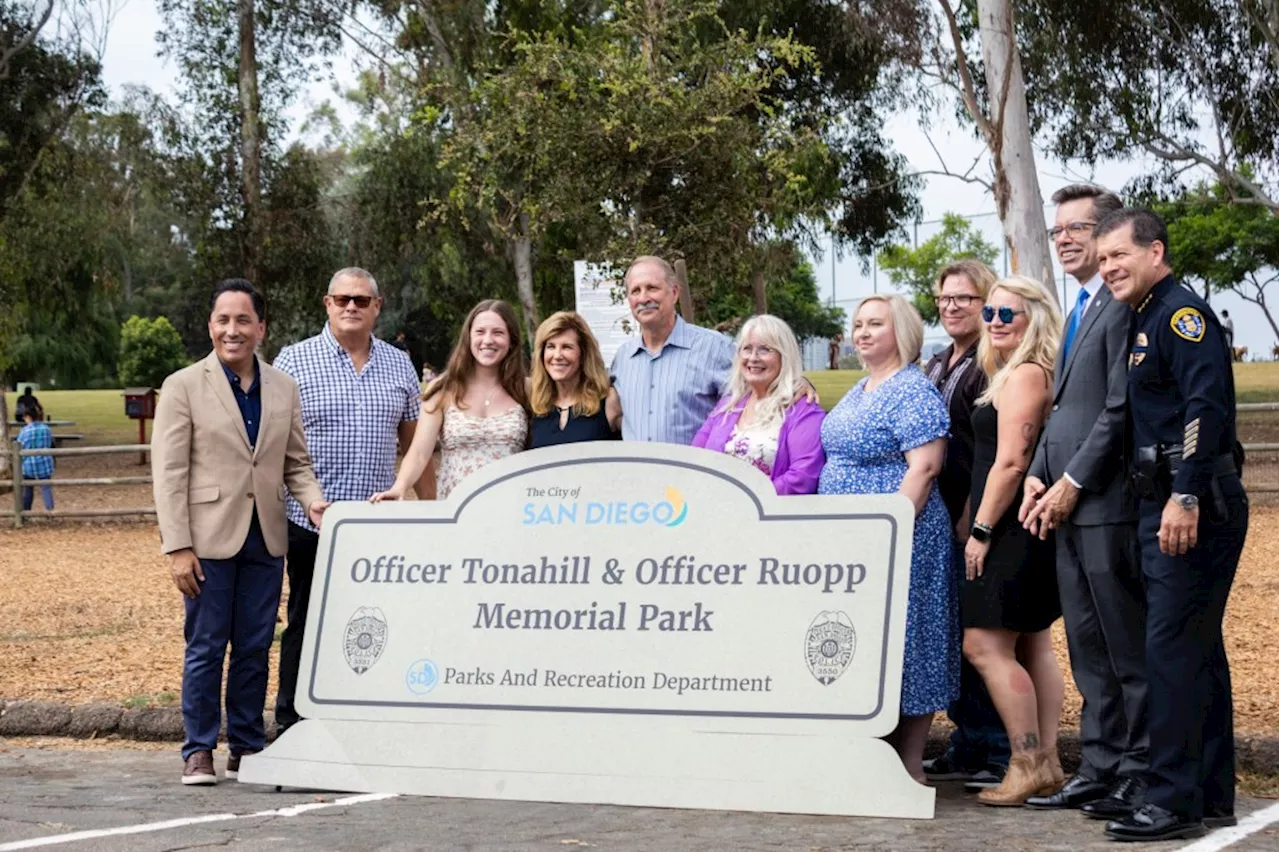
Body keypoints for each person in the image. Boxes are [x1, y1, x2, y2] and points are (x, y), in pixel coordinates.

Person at [1094, 209, 1247, 842]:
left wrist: (1184, 495)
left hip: (1193, 502)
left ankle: (1172, 801)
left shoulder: (1180, 315)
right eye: (1101, 260)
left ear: (1156, 251)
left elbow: (1204, 405)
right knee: (1195, 652)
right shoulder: (1145, 315)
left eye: (1118, 255)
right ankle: (1207, 794)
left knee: (1170, 654)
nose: (1107, 269)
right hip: (1170, 498)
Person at [151, 279, 328, 786]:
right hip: (206, 540)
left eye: (243, 320)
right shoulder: (183, 385)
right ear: (211, 327)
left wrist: (313, 501)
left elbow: (295, 462)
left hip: (268, 539)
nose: (233, 330)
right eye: (223, 320)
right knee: (206, 645)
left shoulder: (283, 387)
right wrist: (177, 546)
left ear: (261, 327)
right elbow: (169, 473)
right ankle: (199, 750)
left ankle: (248, 747)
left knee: (253, 646)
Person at [1019, 185, 1149, 817]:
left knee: (1125, 649)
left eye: (1080, 228)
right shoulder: (1077, 310)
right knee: (1086, 648)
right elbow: (1065, 407)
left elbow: (1117, 412)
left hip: (1106, 503)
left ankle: (1138, 771)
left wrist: (1073, 481)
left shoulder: (1123, 306)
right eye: (1058, 229)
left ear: (1109, 235)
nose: (1066, 238)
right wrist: (1040, 473)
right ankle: (1097, 768)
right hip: (1063, 503)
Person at [271, 267, 425, 735]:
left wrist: (435, 507)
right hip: (311, 520)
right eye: (342, 299)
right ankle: (292, 722)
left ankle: (364, 718)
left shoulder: (400, 365)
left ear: (378, 306)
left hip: (376, 526)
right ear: (327, 303)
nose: (351, 307)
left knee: (373, 623)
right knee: (305, 620)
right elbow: (273, 444)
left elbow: (416, 445)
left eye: (361, 300)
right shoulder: (293, 362)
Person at [817, 294, 956, 782]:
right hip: (850, 542)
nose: (862, 332)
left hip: (902, 537)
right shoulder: (861, 388)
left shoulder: (912, 390)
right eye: (857, 324)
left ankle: (909, 765)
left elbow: (925, 468)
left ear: (902, 331)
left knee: (909, 641)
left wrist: (889, 531)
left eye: (875, 323)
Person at [961, 276, 1065, 806]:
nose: (997, 322)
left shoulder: (1024, 375)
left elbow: (1010, 462)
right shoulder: (1012, 373)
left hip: (1007, 529)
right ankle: (1046, 762)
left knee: (984, 644)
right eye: (992, 314)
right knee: (1032, 642)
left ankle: (1024, 762)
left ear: (1034, 320)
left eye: (1010, 314)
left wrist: (980, 530)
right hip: (1018, 525)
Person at [920, 260, 1011, 791]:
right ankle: (968, 740)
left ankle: (998, 746)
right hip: (937, 516)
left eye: (966, 298)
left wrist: (974, 515)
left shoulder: (993, 361)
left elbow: (993, 447)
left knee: (983, 634)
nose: (953, 307)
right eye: (945, 298)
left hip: (974, 517)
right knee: (953, 632)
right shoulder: (935, 363)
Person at [373, 299, 529, 502]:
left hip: (511, 509)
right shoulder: (442, 389)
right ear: (468, 337)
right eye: (480, 332)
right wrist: (400, 486)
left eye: (498, 333)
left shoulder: (528, 390)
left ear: (511, 341)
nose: (488, 340)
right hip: (456, 511)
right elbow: (420, 452)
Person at [691, 314, 826, 495]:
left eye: (764, 349)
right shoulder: (727, 406)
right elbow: (695, 459)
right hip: (717, 513)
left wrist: (748, 500)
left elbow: (804, 477)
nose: (753, 358)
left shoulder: (803, 409)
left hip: (769, 517)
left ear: (784, 357)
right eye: (747, 349)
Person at [609, 256, 735, 444]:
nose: (643, 298)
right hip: (636, 473)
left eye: (652, 288)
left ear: (674, 293)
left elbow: (747, 411)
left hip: (697, 472)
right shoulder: (623, 359)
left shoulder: (716, 349)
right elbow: (616, 416)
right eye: (636, 291)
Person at [529, 311, 622, 448]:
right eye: (551, 347)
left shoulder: (608, 400)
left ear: (584, 354)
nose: (557, 355)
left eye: (567, 347)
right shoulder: (537, 405)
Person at [17, 408, 55, 512]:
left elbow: (19, 445)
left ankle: (26, 512)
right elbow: (51, 443)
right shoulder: (46, 429)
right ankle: (50, 511)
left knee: (28, 490)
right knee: (46, 489)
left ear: (28, 417)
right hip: (44, 463)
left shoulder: (25, 431)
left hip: (29, 464)